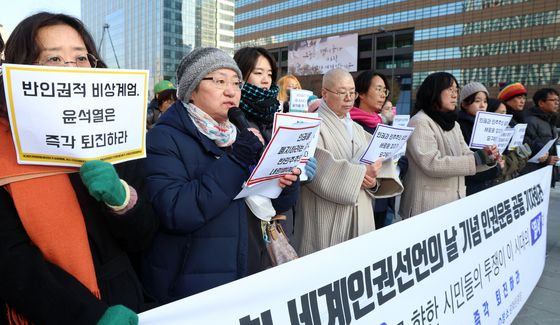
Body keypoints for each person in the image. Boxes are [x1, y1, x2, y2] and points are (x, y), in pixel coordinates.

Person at [0, 12, 158, 324]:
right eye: (53, 58)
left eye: (81, 57)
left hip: (127, 303)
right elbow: (9, 259)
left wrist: (122, 201)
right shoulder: (5, 145)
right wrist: (86, 314)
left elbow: (142, 238)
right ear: (20, 68)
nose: (70, 68)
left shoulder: (119, 138)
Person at [294, 68, 403, 256]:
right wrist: (361, 174)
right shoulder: (310, 125)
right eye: (342, 92)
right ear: (324, 93)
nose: (348, 98)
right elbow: (319, 169)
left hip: (362, 215)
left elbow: (379, 161)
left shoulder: (356, 127)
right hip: (327, 219)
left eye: (352, 92)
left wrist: (374, 182)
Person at [234, 46, 304, 273]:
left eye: (270, 74)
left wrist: (292, 177)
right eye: (257, 73)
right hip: (246, 232)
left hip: (277, 224)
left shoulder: (275, 117)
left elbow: (283, 200)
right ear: (241, 74)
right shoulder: (233, 120)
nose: (265, 80)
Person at [399, 72, 499, 218]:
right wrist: (477, 158)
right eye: (450, 90)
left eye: (456, 90)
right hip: (427, 206)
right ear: (434, 92)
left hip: (452, 202)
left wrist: (489, 157)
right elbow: (431, 163)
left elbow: (467, 154)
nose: (455, 95)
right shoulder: (420, 121)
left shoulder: (454, 124)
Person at [350, 70, 394, 229]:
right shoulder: (350, 125)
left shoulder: (382, 126)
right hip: (359, 203)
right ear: (361, 93)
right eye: (378, 89)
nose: (383, 95)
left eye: (385, 91)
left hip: (382, 200)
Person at [457, 82, 502, 195]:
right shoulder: (460, 125)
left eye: (485, 101)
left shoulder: (486, 125)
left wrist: (496, 160)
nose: (482, 105)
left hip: (486, 181)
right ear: (464, 103)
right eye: (477, 101)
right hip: (471, 184)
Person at [519, 88, 560, 185]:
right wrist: (546, 159)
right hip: (533, 173)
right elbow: (526, 146)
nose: (557, 103)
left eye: (558, 100)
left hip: (546, 171)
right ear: (541, 103)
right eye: (553, 100)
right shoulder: (530, 120)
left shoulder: (550, 120)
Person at [486, 98, 532, 183]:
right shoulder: (487, 138)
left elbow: (518, 167)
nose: (506, 117)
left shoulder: (511, 130)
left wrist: (523, 155)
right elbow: (502, 168)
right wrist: (519, 156)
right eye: (501, 113)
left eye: (505, 112)